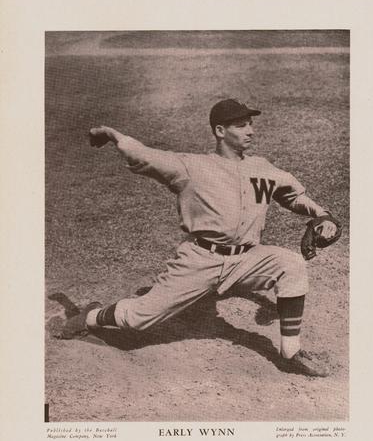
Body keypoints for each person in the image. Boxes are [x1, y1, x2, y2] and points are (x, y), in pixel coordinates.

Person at [61, 98, 339, 377]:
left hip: (246, 259)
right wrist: (111, 134)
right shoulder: (189, 167)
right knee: (138, 319)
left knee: (290, 263)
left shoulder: (262, 166)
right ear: (220, 131)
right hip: (200, 260)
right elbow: (141, 153)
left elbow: (293, 195)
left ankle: (291, 352)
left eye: (250, 124)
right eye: (241, 125)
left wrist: (322, 215)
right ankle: (92, 316)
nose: (250, 131)